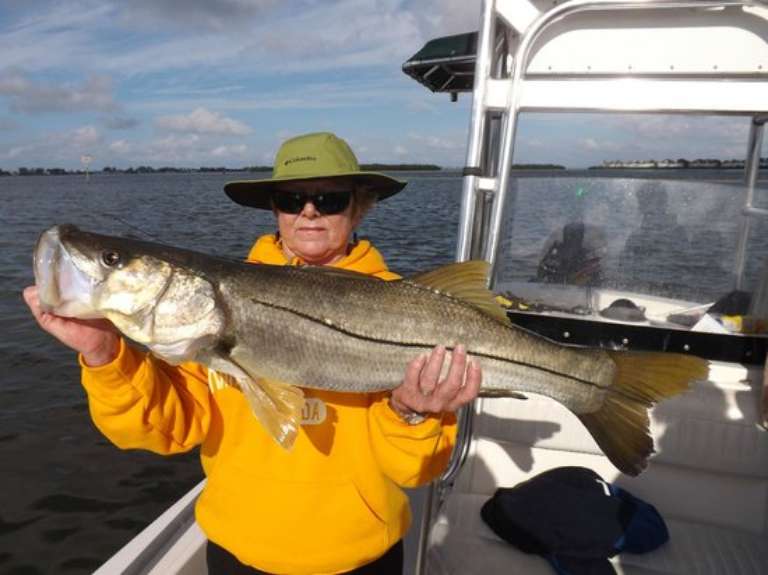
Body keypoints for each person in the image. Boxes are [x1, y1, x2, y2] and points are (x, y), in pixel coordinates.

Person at [23, 131, 482, 575]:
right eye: (291, 200)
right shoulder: (204, 326)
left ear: (359, 208)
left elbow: (416, 469)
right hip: (238, 553)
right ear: (275, 211)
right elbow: (165, 431)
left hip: (361, 558)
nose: (308, 213)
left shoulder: (413, 312)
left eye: (330, 200)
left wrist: (411, 412)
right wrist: (104, 353)